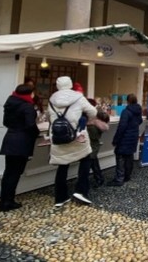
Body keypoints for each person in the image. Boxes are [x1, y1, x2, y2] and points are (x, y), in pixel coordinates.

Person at [48, 76, 98, 207]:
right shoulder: (79, 97)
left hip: (58, 137)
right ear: (70, 84)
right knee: (86, 159)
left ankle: (60, 197)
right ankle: (81, 190)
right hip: (77, 136)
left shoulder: (52, 99)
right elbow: (93, 112)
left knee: (62, 164)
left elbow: (49, 116)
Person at [0, 84, 39, 212]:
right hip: (22, 142)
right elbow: (30, 125)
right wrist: (36, 133)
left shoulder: (10, 104)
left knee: (8, 172)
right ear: (29, 93)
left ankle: (4, 200)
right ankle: (8, 202)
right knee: (15, 173)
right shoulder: (27, 106)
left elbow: (5, 122)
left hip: (10, 139)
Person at [108, 94, 143, 186]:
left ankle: (119, 179)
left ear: (127, 101)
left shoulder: (126, 111)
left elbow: (121, 127)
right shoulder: (138, 110)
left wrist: (116, 139)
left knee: (120, 156)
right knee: (129, 156)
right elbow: (140, 121)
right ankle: (127, 176)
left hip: (125, 137)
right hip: (133, 136)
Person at [86, 100, 110, 188]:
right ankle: (99, 178)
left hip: (91, 145)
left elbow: (94, 136)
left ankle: (98, 178)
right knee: (93, 162)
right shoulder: (97, 121)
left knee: (91, 162)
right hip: (93, 145)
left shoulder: (92, 124)